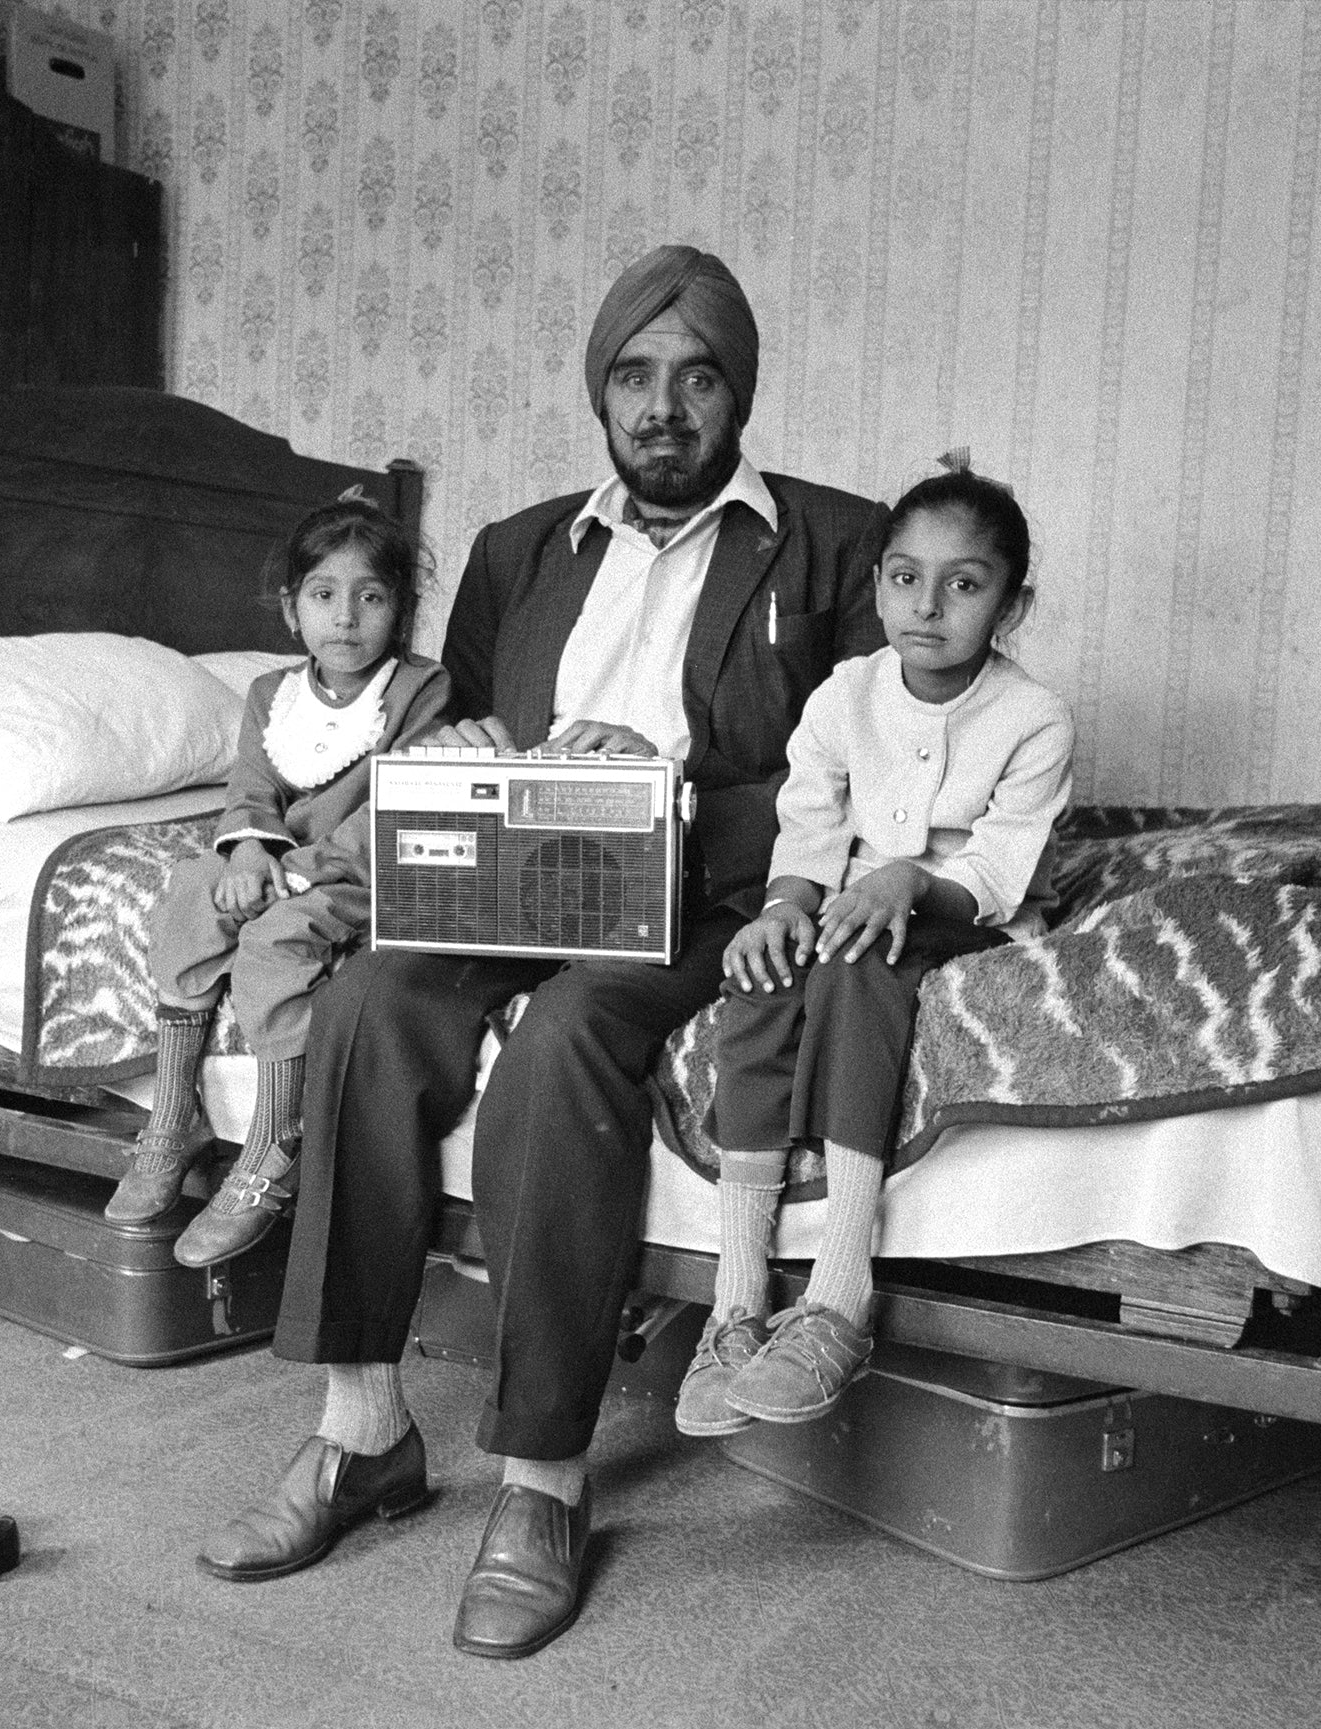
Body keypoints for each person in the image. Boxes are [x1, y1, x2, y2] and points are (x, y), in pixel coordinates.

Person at [196, 244, 889, 1657]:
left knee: (570, 1037)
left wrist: (675, 785)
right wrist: (451, 745)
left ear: (738, 389)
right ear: (600, 390)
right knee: (369, 1001)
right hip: (516, 876)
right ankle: (360, 1429)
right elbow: (446, 729)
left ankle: (542, 1482)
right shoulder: (518, 549)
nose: (663, 406)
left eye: (697, 375)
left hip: (697, 893)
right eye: (635, 375)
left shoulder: (835, 542)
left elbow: (869, 772)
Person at [674, 458, 1075, 1437]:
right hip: (849, 894)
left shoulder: (1033, 719)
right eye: (904, 576)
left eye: (964, 583)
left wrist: (906, 882)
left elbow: (995, 867)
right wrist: (781, 905)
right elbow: (808, 824)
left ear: (1010, 604)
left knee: (858, 968)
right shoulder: (844, 695)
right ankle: (734, 1303)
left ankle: (838, 1294)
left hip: (957, 905)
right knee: (764, 979)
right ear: (877, 582)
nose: (927, 605)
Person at [104, 493, 450, 1268]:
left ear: (401, 609)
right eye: (324, 596)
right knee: (193, 891)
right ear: (293, 610)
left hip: (365, 868)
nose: (347, 618)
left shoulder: (418, 691)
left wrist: (296, 870)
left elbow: (396, 806)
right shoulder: (271, 694)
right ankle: (174, 1115)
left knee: (274, 941)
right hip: (281, 860)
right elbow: (250, 789)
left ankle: (274, 1143)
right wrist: (251, 853)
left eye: (371, 597)